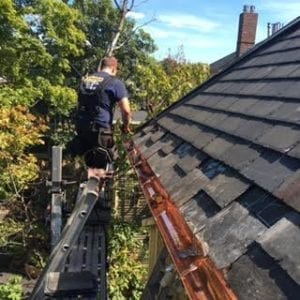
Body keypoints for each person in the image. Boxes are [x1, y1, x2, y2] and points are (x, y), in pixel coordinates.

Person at [68, 56, 131, 178]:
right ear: (113, 68)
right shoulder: (115, 83)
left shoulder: (86, 81)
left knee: (91, 164)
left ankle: (91, 181)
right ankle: (95, 187)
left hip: (82, 129)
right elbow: (126, 111)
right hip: (100, 130)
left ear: (100, 67)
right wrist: (126, 126)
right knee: (109, 159)